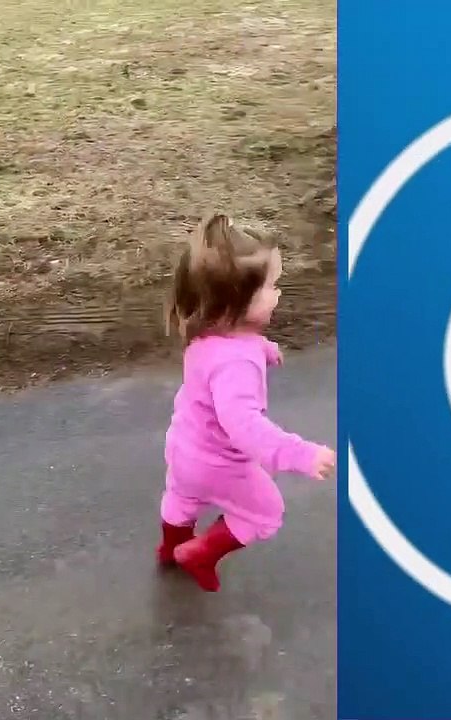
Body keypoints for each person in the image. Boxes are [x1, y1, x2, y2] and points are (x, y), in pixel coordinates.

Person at [157, 213, 336, 592]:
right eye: (272, 286)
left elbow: (225, 359)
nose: (279, 294)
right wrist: (299, 454)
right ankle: (200, 553)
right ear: (235, 303)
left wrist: (263, 348)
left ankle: (170, 547)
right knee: (265, 513)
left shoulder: (205, 332)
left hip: (184, 447)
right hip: (219, 464)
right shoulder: (237, 363)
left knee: (181, 497)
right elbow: (244, 426)